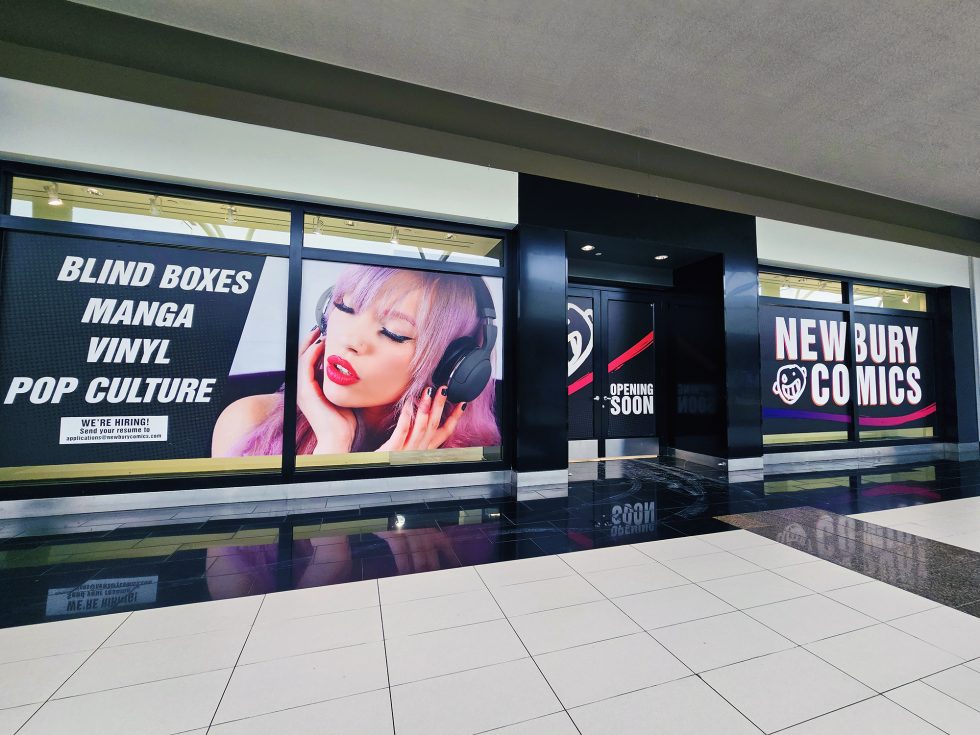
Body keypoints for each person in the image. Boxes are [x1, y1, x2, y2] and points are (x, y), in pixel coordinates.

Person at [211, 264, 500, 457]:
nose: (350, 340)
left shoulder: (471, 458)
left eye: (394, 333)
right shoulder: (249, 422)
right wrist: (332, 444)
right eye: (345, 307)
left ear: (452, 366)